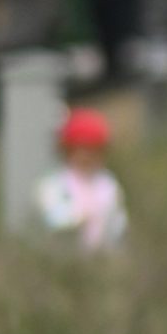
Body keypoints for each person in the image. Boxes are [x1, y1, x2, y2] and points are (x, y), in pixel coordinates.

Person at [35, 107, 128, 251]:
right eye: (82, 150)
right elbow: (52, 219)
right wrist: (80, 216)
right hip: (65, 255)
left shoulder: (108, 184)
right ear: (68, 151)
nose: (87, 157)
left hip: (101, 255)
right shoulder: (54, 185)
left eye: (93, 150)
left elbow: (117, 221)